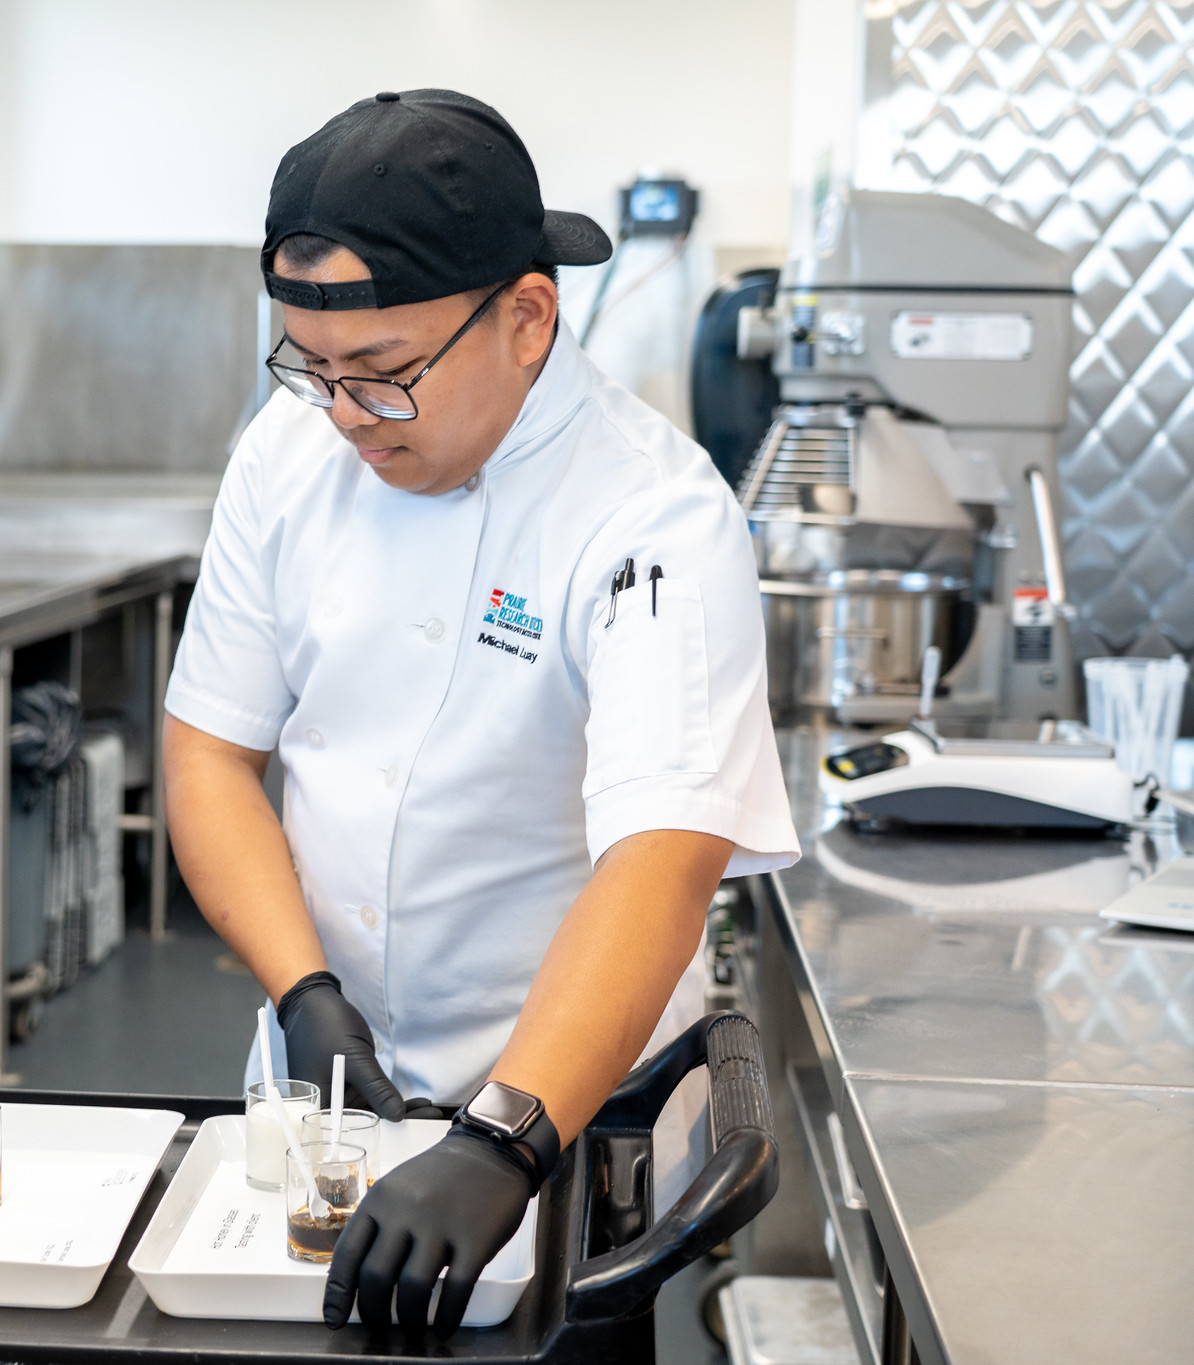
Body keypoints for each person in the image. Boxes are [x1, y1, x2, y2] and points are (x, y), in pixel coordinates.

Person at [161, 89, 798, 1339]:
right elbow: (208, 751)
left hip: (560, 1120)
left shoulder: (652, 517)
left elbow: (661, 863)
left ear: (525, 317)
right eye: (311, 367)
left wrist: (501, 1137)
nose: (346, 414)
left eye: (383, 375)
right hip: (331, 1106)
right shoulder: (286, 452)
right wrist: (304, 996)